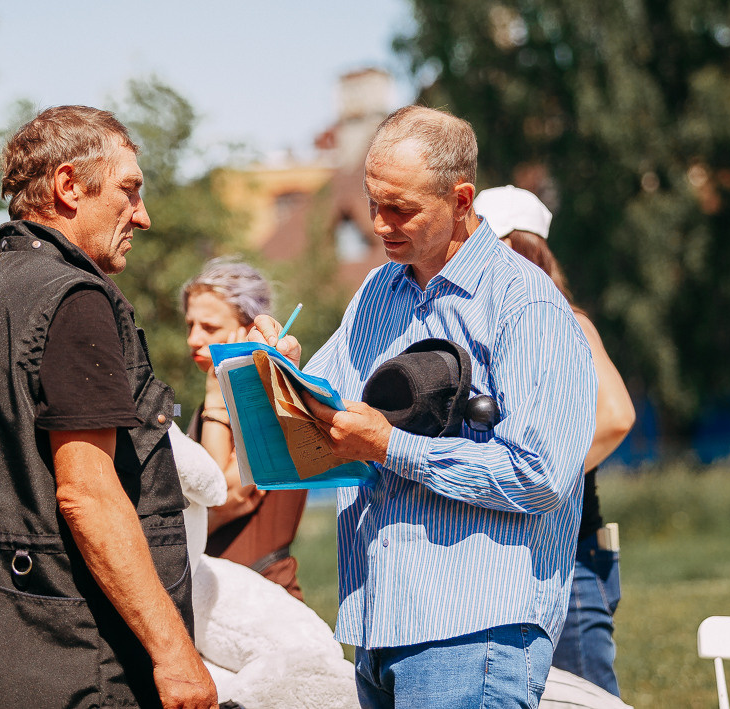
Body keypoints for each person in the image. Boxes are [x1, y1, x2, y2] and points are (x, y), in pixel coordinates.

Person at [252, 105, 597, 709]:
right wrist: (280, 370)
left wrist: (391, 446)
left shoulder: (525, 304)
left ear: (461, 200)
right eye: (372, 202)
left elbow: (542, 474)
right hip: (379, 622)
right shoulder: (378, 291)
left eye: (400, 208)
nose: (378, 224)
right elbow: (328, 408)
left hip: (476, 630)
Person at [0, 106, 217, 709]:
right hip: (74, 666)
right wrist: (176, 656)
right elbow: (88, 495)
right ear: (68, 186)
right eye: (128, 189)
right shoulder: (74, 297)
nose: (142, 214)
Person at [474, 185, 636, 699]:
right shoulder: (501, 329)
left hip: (568, 558)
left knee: (587, 699)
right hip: (514, 560)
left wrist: (532, 479)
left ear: (514, 249)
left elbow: (616, 417)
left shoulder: (567, 322)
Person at [181, 258, 308, 600]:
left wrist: (215, 396)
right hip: (221, 600)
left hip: (265, 600)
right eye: (190, 324)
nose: (193, 339)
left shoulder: (272, 401)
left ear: (249, 330)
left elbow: (219, 495)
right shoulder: (214, 405)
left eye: (209, 328)